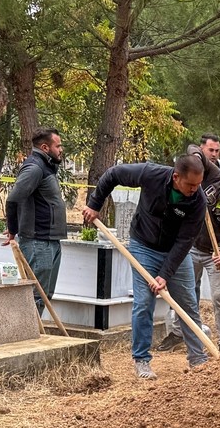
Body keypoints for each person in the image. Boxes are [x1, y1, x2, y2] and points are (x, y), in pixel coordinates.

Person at [82, 154, 208, 379]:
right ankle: (141, 360)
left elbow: (185, 241)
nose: (194, 189)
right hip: (144, 247)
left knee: (188, 303)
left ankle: (198, 360)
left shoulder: (198, 200)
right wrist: (94, 204)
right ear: (176, 176)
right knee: (143, 303)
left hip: (175, 253)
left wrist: (165, 274)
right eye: (190, 184)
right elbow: (113, 174)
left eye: (198, 184)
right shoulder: (151, 174)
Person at [158, 175, 220, 354]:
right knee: (183, 291)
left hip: (215, 255)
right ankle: (178, 334)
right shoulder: (217, 182)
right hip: (191, 247)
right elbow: (197, 157)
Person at [4, 129, 67, 314]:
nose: (61, 149)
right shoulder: (35, 168)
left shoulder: (46, 167)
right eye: (58, 145)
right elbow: (13, 198)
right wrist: (12, 230)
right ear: (45, 147)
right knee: (36, 296)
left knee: (45, 295)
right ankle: (27, 336)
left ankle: (35, 336)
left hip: (50, 241)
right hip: (38, 241)